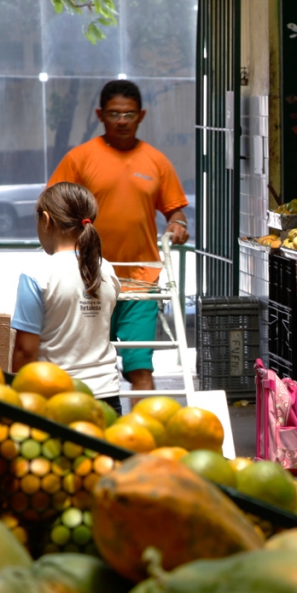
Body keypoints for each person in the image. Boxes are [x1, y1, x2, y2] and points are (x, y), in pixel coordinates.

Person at [47, 80, 189, 400]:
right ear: (100, 115)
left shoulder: (156, 161)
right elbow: (52, 206)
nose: (122, 121)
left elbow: (175, 211)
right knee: (84, 368)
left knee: (141, 370)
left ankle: (141, 428)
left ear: (141, 115)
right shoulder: (80, 158)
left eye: (129, 114)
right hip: (88, 279)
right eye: (114, 114)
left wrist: (178, 225)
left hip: (141, 281)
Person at [10, 182, 123, 415]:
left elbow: (25, 350)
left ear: (46, 220)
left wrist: (17, 396)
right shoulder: (106, 269)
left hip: (54, 397)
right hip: (107, 397)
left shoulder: (37, 274)